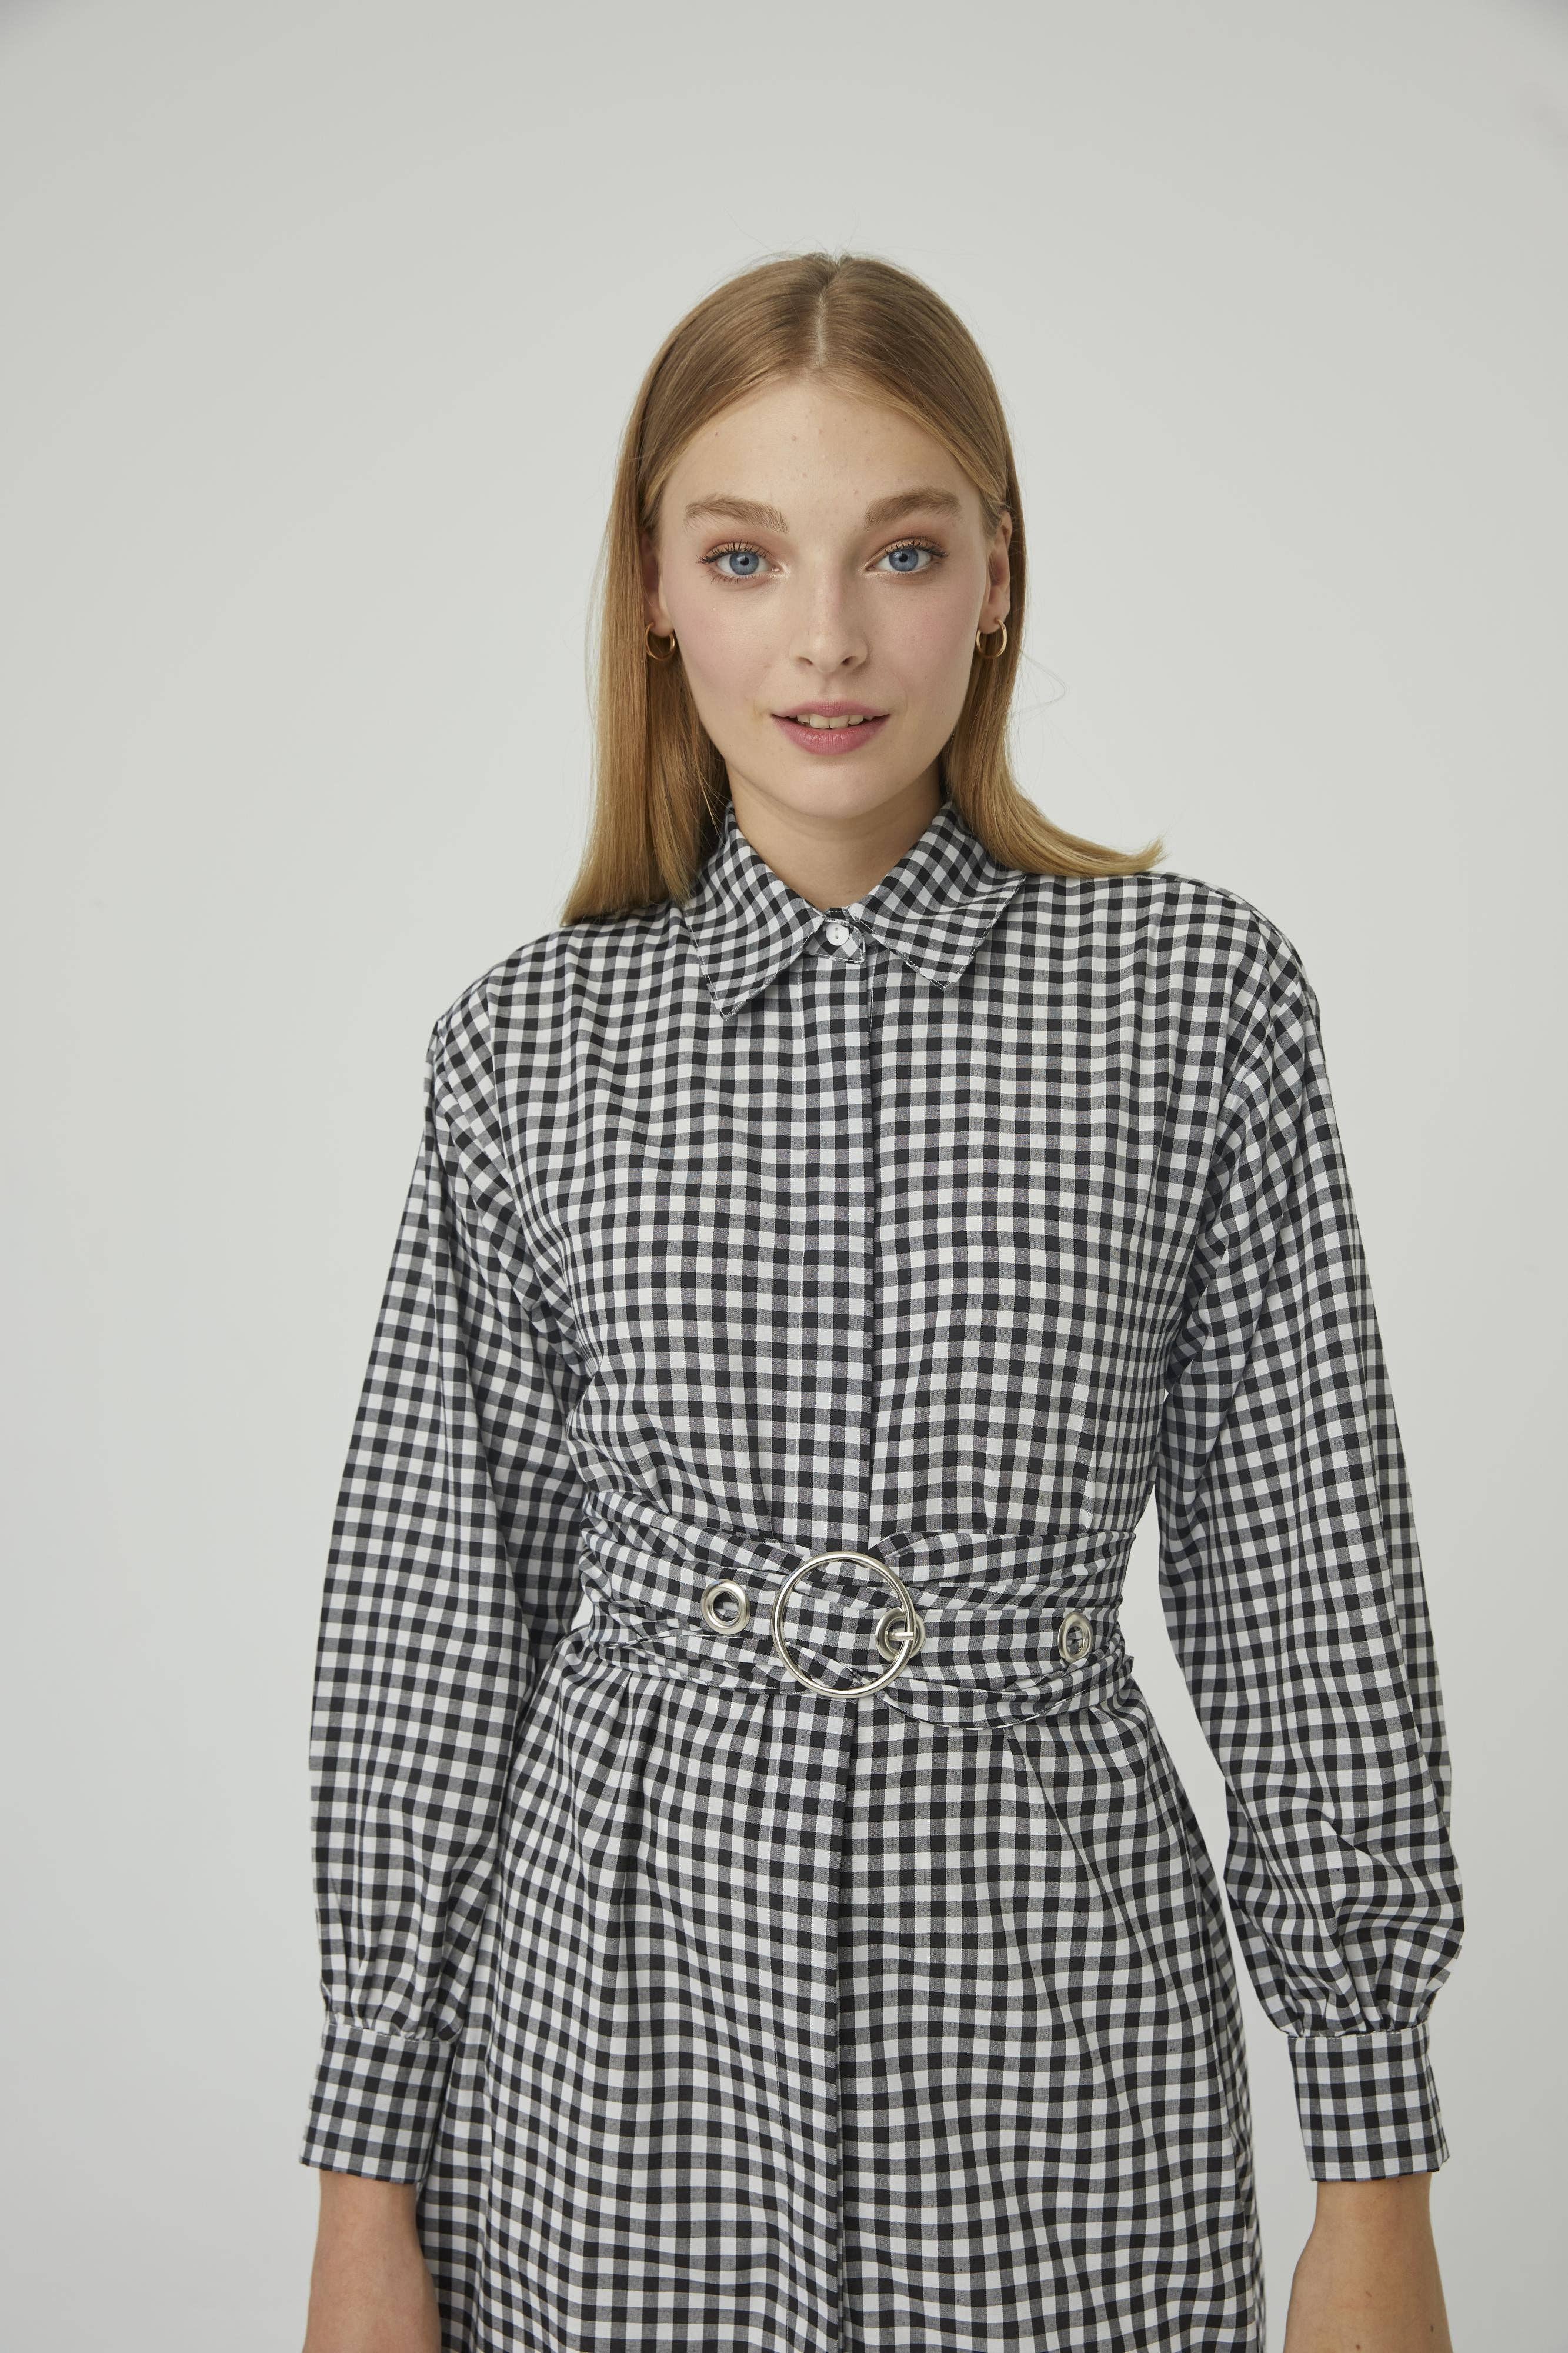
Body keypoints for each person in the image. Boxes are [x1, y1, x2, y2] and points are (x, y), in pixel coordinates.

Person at [297, 251, 1464, 2353]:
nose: (826, 636)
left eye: (901, 552)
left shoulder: (1193, 1004)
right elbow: (432, 1629)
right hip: (607, 2057)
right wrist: (363, 2195)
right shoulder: (526, 1049)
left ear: (997, 578)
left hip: (1058, 2048)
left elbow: (1308, 1588)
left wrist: (1370, 2179)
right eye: (745, 556)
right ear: (654, 591)